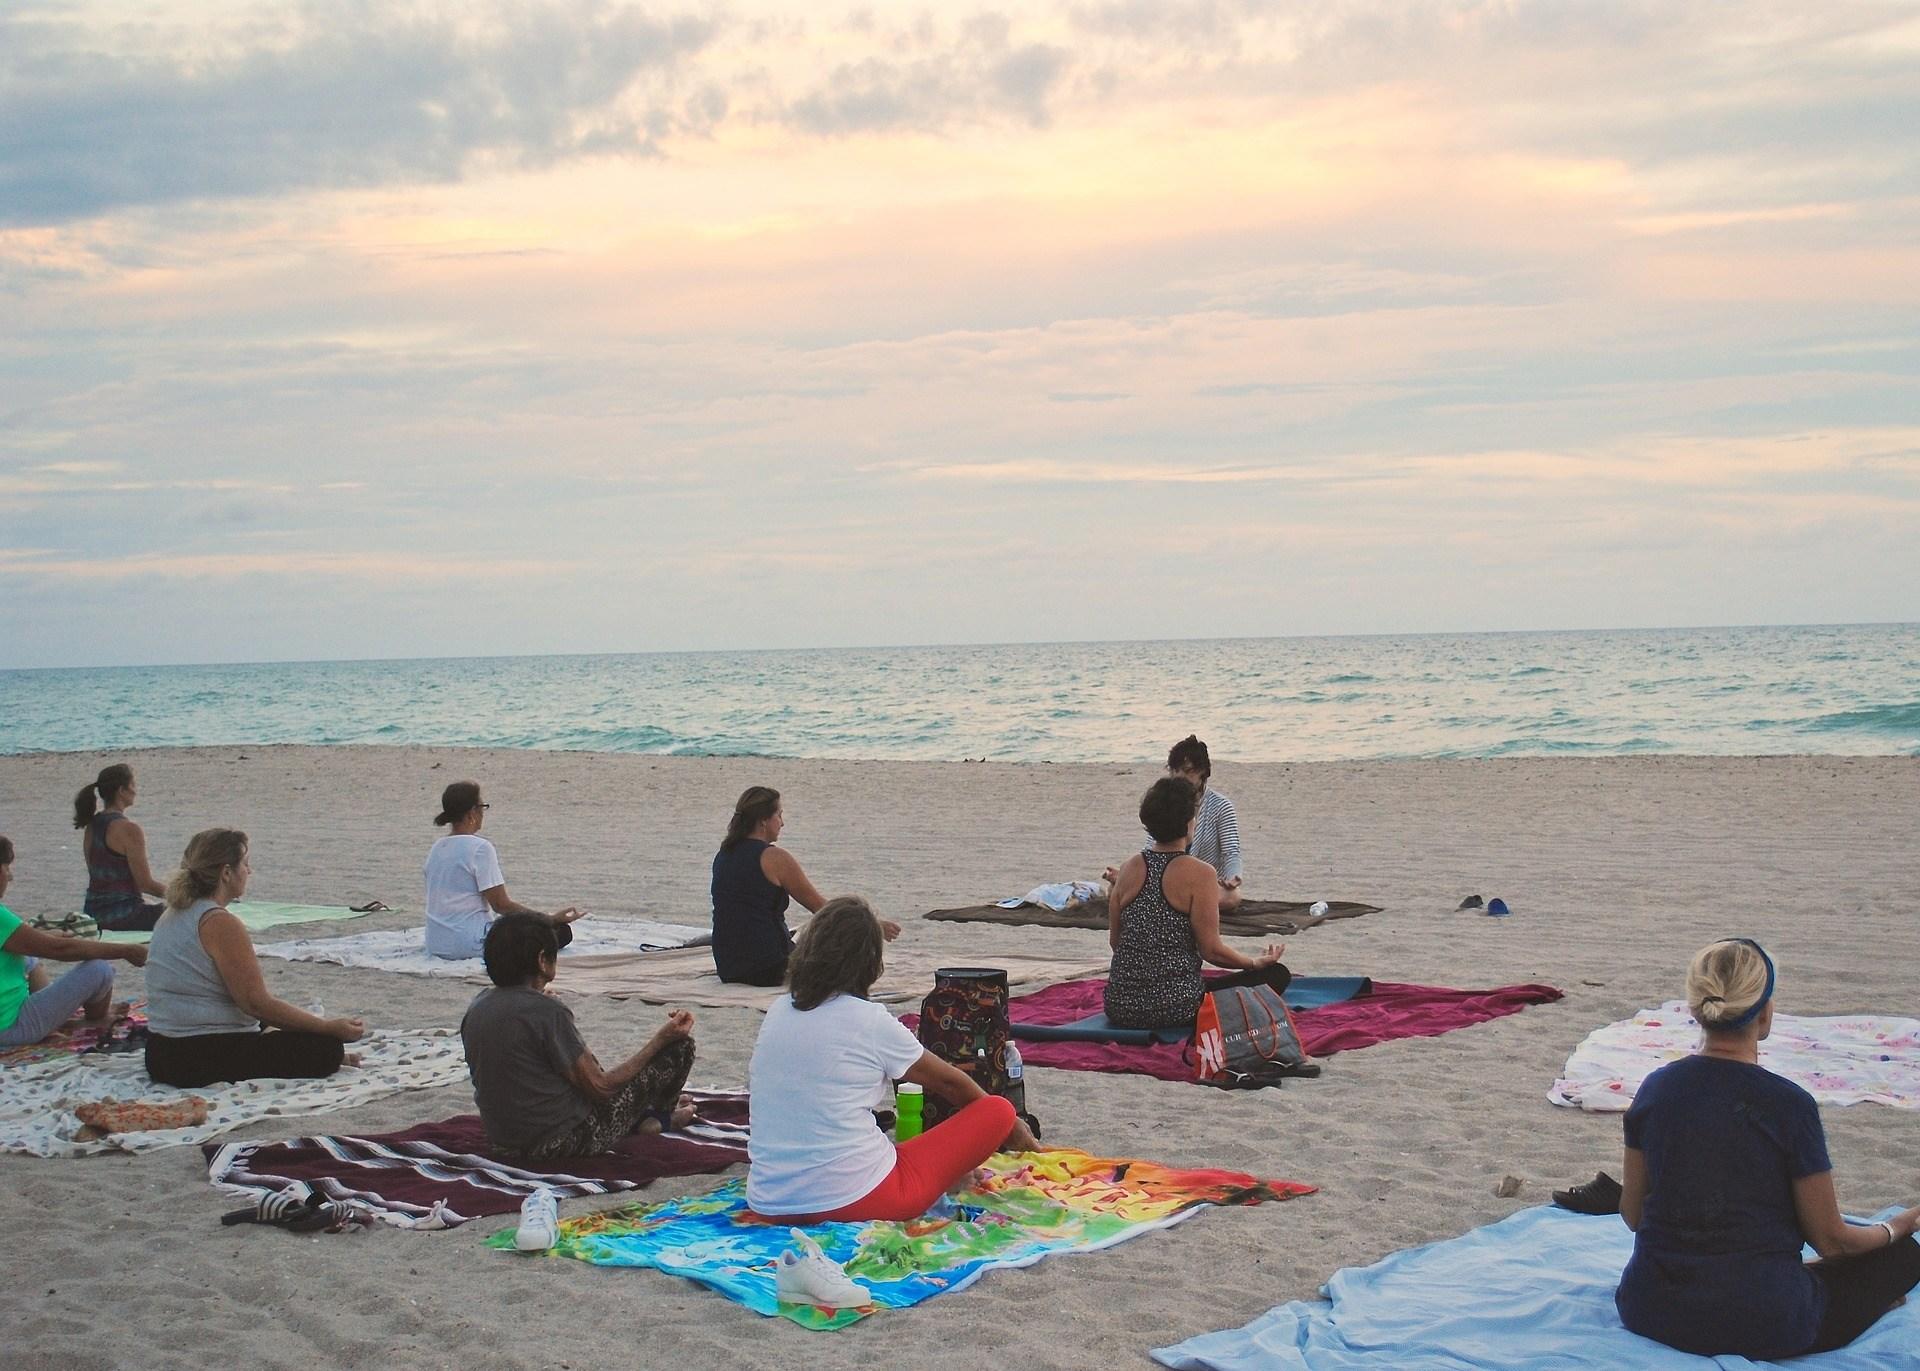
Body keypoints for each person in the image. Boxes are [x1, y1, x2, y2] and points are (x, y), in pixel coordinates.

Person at [1615, 938, 1920, 1359]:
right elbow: (1833, 1241)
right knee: (1903, 1258)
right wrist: (1896, 1228)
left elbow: (1633, 1215)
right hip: (1764, 1320)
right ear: (1766, 1014)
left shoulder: (1655, 1089)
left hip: (1650, 1305)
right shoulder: (1788, 1105)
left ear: (1696, 1010)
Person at [746, 896, 1038, 1221]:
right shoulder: (869, 1020)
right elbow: (950, 1083)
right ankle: (953, 1174)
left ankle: (950, 1177)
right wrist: (1013, 1127)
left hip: (768, 1199)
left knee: (900, 1151)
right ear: (870, 963)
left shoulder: (779, 1010)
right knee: (997, 1109)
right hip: (854, 1199)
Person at [460, 913, 699, 1158]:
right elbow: (600, 1087)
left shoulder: (478, 1006)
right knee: (680, 1047)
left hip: (503, 1142)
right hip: (561, 1143)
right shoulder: (547, 1012)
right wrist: (661, 1039)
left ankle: (643, 1115)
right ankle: (660, 1118)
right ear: (542, 960)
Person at [144, 828, 366, 1088]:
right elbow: (256, 1004)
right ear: (226, 873)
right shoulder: (218, 922)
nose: (249, 872)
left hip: (159, 1050)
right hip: (193, 1057)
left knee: (282, 1028)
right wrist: (327, 1027)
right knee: (325, 1049)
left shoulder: (173, 913)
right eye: (245, 864)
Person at [1103, 776, 1292, 1030]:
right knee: (1277, 975)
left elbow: (1116, 942)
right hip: (1177, 1008)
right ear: (1188, 822)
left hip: (1119, 1007)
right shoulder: (1200, 873)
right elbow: (1211, 950)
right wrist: (1253, 963)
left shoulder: (1127, 868)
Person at [711, 787, 898, 986]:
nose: (782, 823)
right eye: (779, 815)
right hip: (768, 965)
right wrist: (873, 925)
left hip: (728, 966)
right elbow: (823, 909)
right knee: (844, 950)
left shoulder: (723, 854)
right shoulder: (775, 858)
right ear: (763, 820)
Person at [0, 835, 148, 1048]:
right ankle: (96, 1019)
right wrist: (126, 950)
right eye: (7, 869)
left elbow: (27, 941)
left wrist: (44, 936)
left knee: (29, 957)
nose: (10, 877)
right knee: (99, 969)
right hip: (11, 1028)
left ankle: (57, 1019)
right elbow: (60, 950)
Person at [424, 780, 584, 960]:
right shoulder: (480, 848)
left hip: (436, 941)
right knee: (560, 933)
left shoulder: (437, 848)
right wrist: (549, 919)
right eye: (482, 807)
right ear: (472, 814)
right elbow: (501, 905)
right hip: (470, 942)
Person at [73, 762, 167, 932]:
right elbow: (145, 884)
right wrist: (182, 896)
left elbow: (98, 877)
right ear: (121, 790)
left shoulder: (91, 826)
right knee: (188, 914)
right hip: (124, 915)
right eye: (132, 785)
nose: (135, 791)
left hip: (94, 912)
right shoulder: (129, 829)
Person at [1166, 735, 1244, 911]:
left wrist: (1234, 877)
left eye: (1187, 771)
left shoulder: (1221, 806)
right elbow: (1151, 847)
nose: (1179, 777)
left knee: (1232, 897)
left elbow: (1231, 851)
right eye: (1175, 770)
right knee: (1116, 889)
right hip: (1168, 880)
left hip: (1204, 884)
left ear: (1202, 772)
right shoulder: (1164, 802)